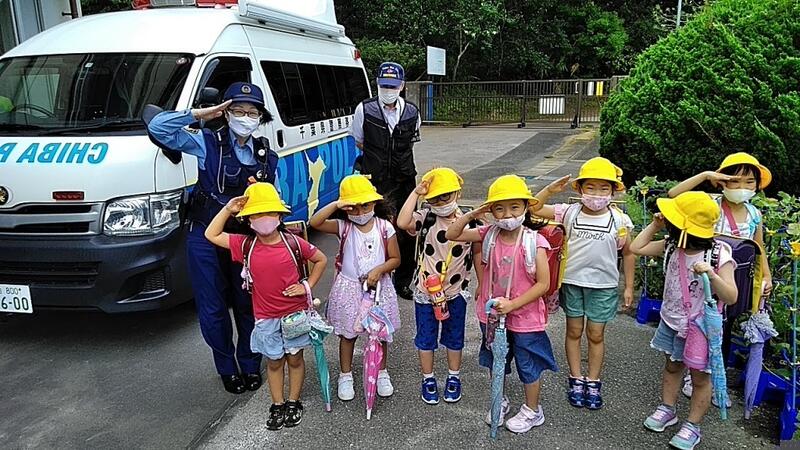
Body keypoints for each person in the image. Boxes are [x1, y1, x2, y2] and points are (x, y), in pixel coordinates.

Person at [146, 82, 279, 394]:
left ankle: (250, 364)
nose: (245, 117)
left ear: (261, 117)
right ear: (226, 113)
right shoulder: (206, 142)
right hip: (205, 235)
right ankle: (227, 368)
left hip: (244, 239)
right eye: (238, 110)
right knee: (212, 307)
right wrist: (202, 113)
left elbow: (274, 202)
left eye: (252, 112)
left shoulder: (267, 157)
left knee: (248, 304)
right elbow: (158, 128)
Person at [204, 183, 327, 430]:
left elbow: (321, 259)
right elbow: (212, 234)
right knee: (273, 362)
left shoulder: (293, 243)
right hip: (265, 317)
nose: (264, 219)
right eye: (257, 214)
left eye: (269, 212)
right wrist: (228, 209)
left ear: (280, 215)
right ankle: (277, 403)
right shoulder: (245, 245)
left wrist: (306, 286)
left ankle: (293, 401)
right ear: (247, 220)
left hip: (295, 316)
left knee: (295, 359)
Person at [446, 175, 557, 434]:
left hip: (526, 318)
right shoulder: (487, 234)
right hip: (493, 317)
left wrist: (513, 304)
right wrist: (474, 213)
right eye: (499, 208)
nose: (507, 215)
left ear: (526, 207)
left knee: (528, 364)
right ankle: (500, 398)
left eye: (514, 207)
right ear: (491, 211)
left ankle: (533, 410)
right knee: (497, 360)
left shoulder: (535, 241)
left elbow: (543, 284)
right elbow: (452, 233)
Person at [630, 191, 738, 450]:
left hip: (701, 328)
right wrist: (654, 226)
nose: (667, 222)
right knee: (672, 366)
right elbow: (636, 248)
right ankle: (667, 408)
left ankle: (693, 425)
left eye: (671, 220)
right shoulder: (671, 246)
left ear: (685, 228)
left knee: (700, 378)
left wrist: (711, 275)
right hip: (671, 320)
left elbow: (731, 296)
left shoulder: (718, 254)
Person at [530, 157, 635, 410]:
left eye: (604, 188)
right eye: (591, 187)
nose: (597, 194)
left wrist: (629, 287)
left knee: (596, 334)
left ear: (613, 191)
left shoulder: (620, 220)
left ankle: (594, 380)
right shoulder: (569, 212)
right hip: (572, 282)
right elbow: (534, 209)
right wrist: (549, 190)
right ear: (580, 189)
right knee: (574, 331)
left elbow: (629, 253)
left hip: (604, 286)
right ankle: (576, 378)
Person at [668, 152, 773, 401]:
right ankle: (693, 372)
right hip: (702, 279)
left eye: (749, 182)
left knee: (723, 329)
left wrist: (766, 277)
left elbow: (759, 248)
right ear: (721, 181)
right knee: (698, 326)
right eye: (734, 181)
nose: (742, 187)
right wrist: (705, 176)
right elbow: (674, 195)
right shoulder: (711, 204)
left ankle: (714, 380)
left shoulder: (754, 214)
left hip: (733, 282)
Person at [309, 174, 401, 402]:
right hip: (349, 289)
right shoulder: (343, 226)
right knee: (348, 334)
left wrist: (379, 270)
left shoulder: (385, 227)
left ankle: (381, 372)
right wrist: (336, 204)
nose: (360, 212)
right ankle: (345, 375)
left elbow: (395, 259)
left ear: (374, 203)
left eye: (365, 206)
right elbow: (315, 222)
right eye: (354, 208)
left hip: (378, 290)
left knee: (379, 334)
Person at [397, 167, 482, 405]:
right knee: (426, 338)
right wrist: (417, 192)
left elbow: (477, 255)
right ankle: (428, 378)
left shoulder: (470, 222)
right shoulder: (427, 217)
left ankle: (454, 376)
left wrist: (482, 283)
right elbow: (402, 222)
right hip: (426, 293)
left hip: (455, 292)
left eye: (446, 196)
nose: (441, 202)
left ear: (458, 193)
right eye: (435, 198)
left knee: (455, 337)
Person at [350, 62, 421, 300]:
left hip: (404, 179)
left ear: (402, 86)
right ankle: (374, 275)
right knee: (373, 229)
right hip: (375, 180)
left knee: (407, 229)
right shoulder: (365, 109)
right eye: (384, 86)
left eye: (392, 86)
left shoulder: (412, 111)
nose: (388, 90)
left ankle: (403, 281)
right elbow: (359, 141)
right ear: (377, 85)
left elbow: (412, 140)